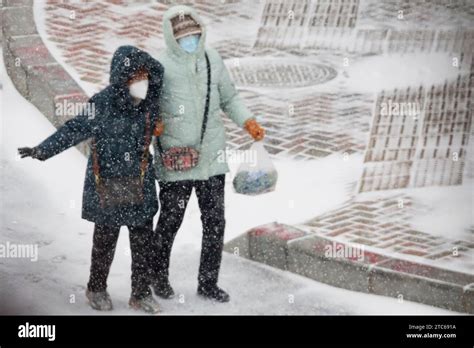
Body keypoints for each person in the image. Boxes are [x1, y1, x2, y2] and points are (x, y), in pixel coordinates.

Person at [18, 45, 165, 314]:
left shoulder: (149, 103)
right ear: (123, 80)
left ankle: (141, 294)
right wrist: (42, 150)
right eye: (137, 78)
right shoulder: (102, 104)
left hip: (140, 183)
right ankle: (96, 288)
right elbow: (74, 129)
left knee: (143, 244)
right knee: (104, 243)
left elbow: (159, 84)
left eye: (145, 77)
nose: (143, 83)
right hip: (107, 184)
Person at [151, 5, 265, 303]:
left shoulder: (212, 60)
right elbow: (147, 107)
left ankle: (208, 282)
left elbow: (230, 97)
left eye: (195, 34)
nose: (190, 40)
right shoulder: (159, 66)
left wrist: (248, 120)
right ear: (171, 38)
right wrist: (155, 124)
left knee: (215, 222)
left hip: (212, 157)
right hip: (176, 159)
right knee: (171, 219)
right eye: (183, 37)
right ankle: (157, 275)